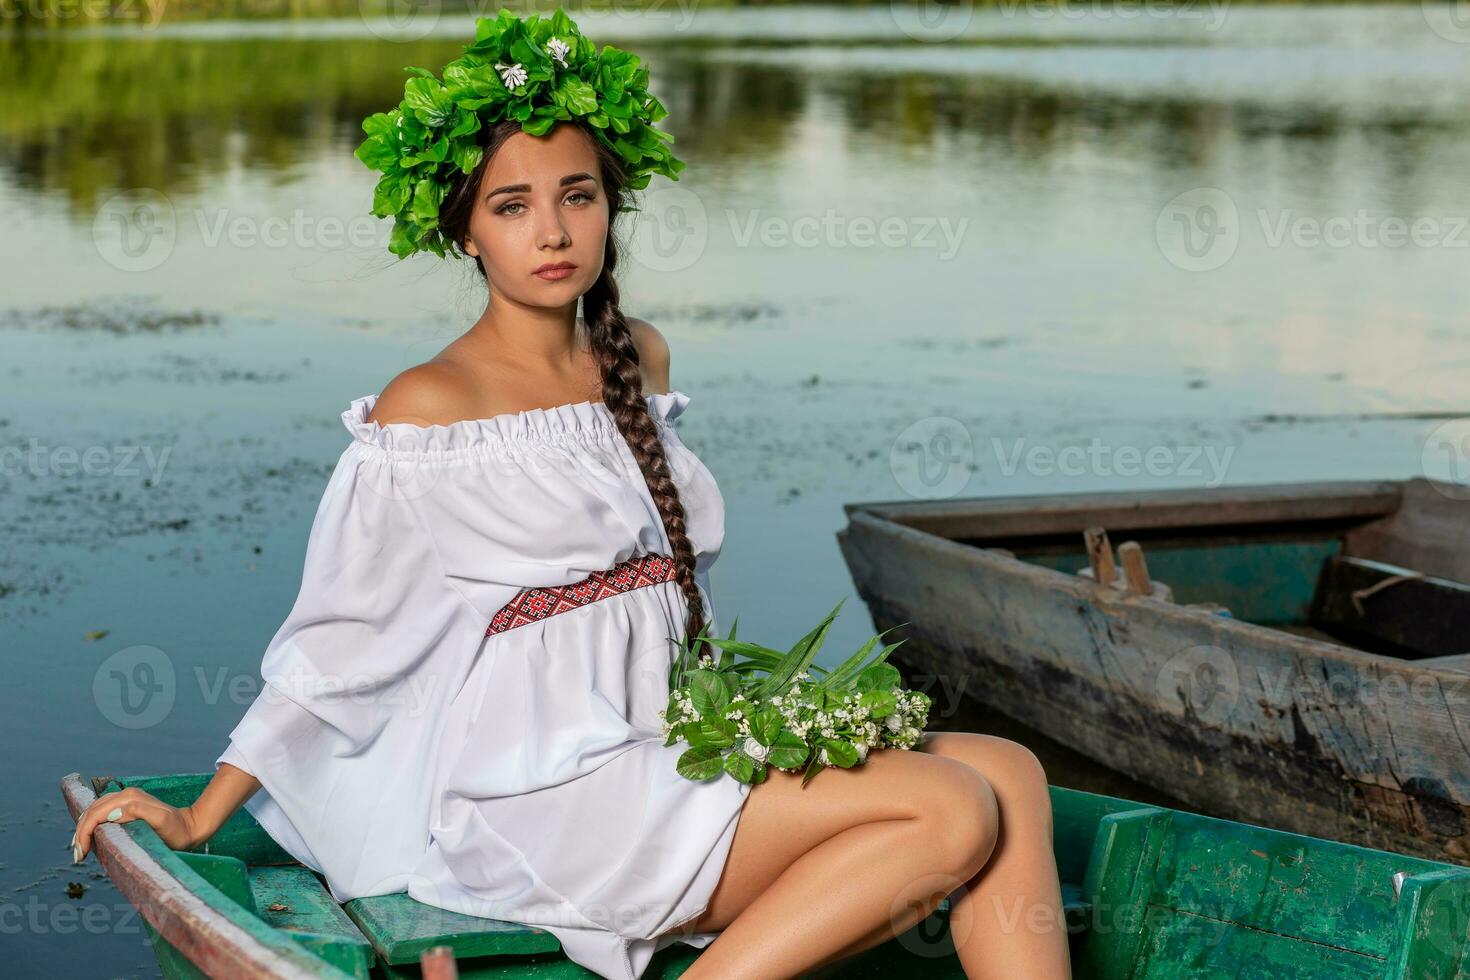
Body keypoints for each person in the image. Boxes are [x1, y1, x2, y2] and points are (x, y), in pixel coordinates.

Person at [70, 9, 1072, 979]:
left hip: (669, 742)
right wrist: (204, 812)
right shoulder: (430, 406)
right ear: (464, 230)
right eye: (512, 206)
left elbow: (665, 599)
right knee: (950, 809)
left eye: (577, 195)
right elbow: (343, 642)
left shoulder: (638, 358)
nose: (551, 230)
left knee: (1014, 775)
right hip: (547, 797)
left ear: (610, 204)